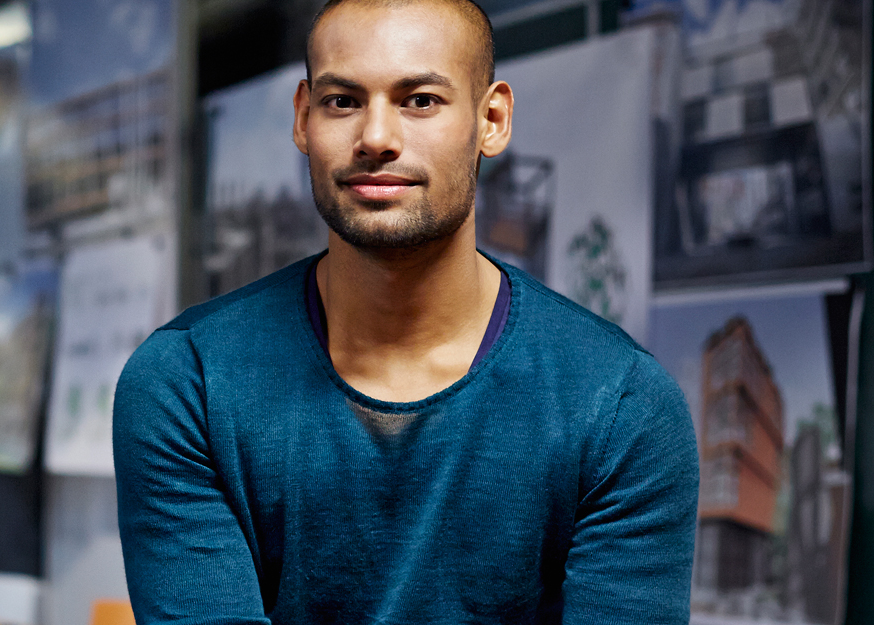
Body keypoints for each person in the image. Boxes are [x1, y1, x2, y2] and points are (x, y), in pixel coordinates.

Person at [112, 0, 698, 623]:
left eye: (419, 100)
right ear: (303, 118)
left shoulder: (620, 405)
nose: (376, 139)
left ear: (491, 119)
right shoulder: (188, 383)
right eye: (343, 101)